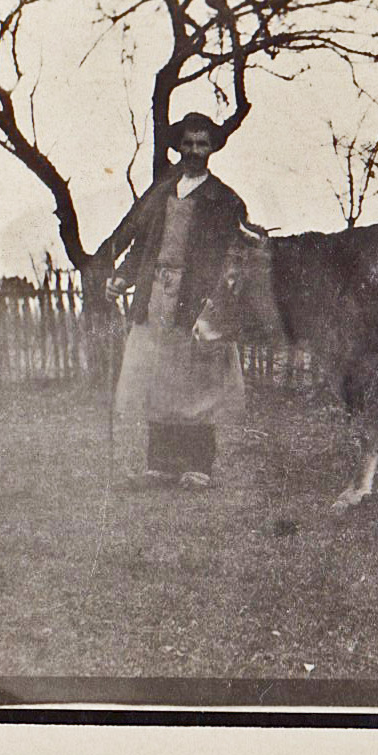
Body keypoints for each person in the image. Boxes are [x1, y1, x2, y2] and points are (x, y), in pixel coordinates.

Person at [102, 112, 250, 491]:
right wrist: (122, 277)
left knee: (195, 381)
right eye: (188, 143)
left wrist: (216, 302)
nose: (195, 151)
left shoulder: (225, 200)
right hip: (156, 294)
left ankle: (198, 465)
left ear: (212, 148)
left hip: (196, 298)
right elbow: (142, 246)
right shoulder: (161, 192)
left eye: (202, 144)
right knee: (157, 376)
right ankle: (161, 465)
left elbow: (234, 257)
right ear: (179, 146)